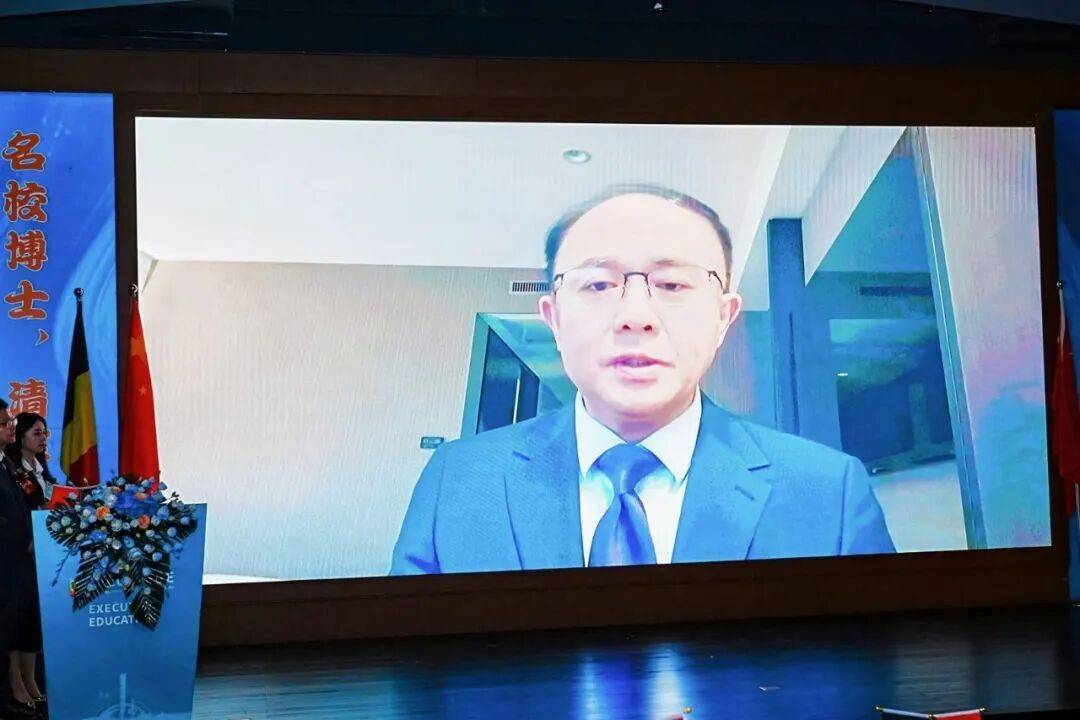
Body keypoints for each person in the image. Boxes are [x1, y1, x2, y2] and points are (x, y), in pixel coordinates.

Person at [391, 185, 894, 575]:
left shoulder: (829, 492)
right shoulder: (457, 480)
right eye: (598, 284)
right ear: (554, 319)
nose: (636, 316)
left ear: (723, 318)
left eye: (672, 283)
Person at [4, 412, 51, 715]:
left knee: (33, 620)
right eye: (36, 432)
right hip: (19, 553)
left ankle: (32, 680)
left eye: (45, 432)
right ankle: (16, 683)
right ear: (20, 436)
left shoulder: (43, 469)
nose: (43, 437)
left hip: (42, 554)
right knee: (16, 620)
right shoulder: (14, 470)